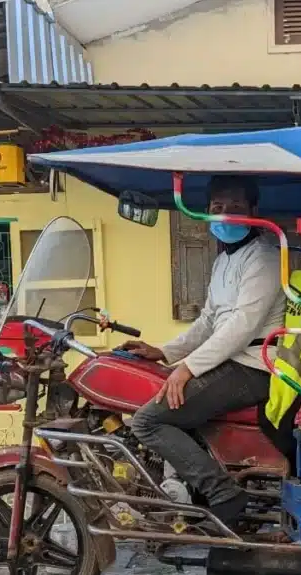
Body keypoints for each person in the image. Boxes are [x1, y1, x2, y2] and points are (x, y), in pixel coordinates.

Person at [120, 176, 286, 525]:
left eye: (236, 208)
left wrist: (187, 368)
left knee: (147, 421)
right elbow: (209, 320)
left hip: (253, 367)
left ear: (255, 212)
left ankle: (223, 494)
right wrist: (164, 352)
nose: (225, 216)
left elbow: (241, 326)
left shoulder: (265, 258)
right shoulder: (224, 260)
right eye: (217, 209)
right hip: (233, 360)